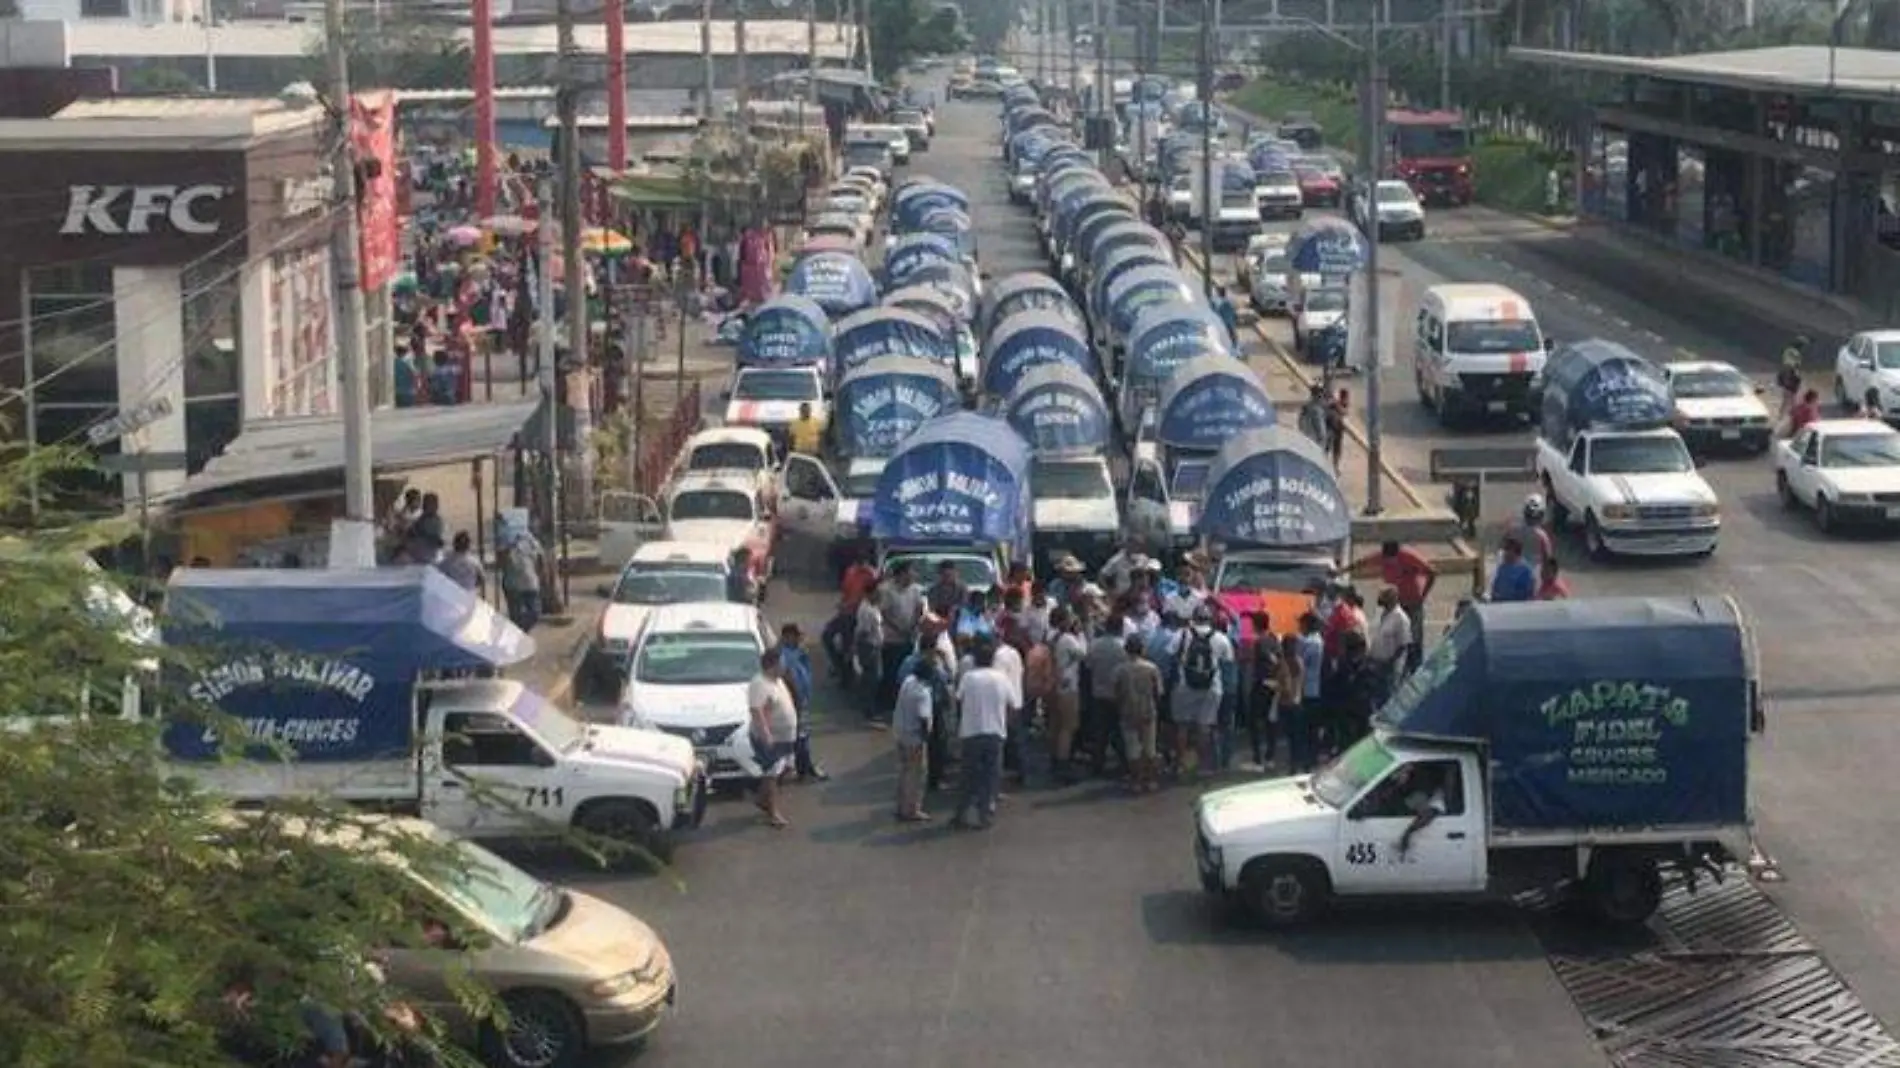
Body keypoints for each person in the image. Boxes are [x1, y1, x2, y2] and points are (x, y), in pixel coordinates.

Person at [954, 636, 1019, 830]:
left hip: (971, 731)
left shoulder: (968, 678)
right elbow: (1013, 705)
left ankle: (962, 812)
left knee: (968, 775)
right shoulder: (1002, 679)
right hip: (995, 732)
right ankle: (986, 813)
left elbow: (959, 700)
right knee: (991, 775)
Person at [1170, 605, 1234, 778]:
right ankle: (1201, 765)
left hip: (1185, 685)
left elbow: (1170, 654)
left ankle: (1181, 764)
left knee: (1182, 725)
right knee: (1204, 727)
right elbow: (1227, 660)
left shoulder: (1182, 634)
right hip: (1212, 687)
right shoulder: (1220, 638)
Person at [1363, 540, 1435, 671]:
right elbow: (1363, 562)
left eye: (1392, 560)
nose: (1389, 563)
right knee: (1389, 634)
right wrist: (1342, 570)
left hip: (1413, 602)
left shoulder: (1408, 556)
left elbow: (1432, 571)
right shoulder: (1382, 556)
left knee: (1414, 637)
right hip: (1395, 602)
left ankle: (1414, 668)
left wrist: (1424, 594)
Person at [746, 648, 798, 828]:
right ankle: (773, 813)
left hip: (785, 737)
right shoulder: (759, 684)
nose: (785, 665)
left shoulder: (777, 681)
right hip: (769, 738)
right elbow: (756, 711)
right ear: (773, 665)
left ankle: (762, 798)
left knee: (785, 769)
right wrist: (766, 735)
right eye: (782, 662)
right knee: (772, 774)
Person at [1113, 634, 1164, 792]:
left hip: (1127, 712)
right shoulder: (1151, 668)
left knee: (1132, 749)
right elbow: (1159, 692)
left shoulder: (1120, 669)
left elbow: (1115, 692)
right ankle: (1151, 780)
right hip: (1148, 710)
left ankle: (1136, 781)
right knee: (1150, 748)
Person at [777, 624, 828, 783]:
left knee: (802, 736)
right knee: (798, 737)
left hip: (801, 701)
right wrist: (795, 702)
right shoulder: (783, 655)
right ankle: (801, 770)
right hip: (793, 702)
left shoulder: (799, 653)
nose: (800, 639)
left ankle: (803, 768)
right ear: (787, 637)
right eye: (796, 636)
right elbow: (787, 678)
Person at [1084, 614, 1132, 779]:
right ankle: (1125, 764)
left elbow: (1088, 666)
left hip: (1099, 693)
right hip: (1119, 695)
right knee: (1120, 731)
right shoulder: (1123, 646)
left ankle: (1097, 765)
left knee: (1100, 732)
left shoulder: (1095, 645)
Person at [876, 561, 924, 720]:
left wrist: (913, 626)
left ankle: (903, 704)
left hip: (909, 637)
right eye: (909, 572)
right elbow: (883, 613)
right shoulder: (886, 590)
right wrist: (898, 629)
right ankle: (887, 706)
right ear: (901, 574)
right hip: (891, 638)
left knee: (906, 671)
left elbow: (919, 609)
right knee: (890, 672)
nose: (912, 576)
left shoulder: (916, 589)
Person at [893, 656, 937, 822]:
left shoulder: (908, 682)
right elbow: (924, 718)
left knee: (904, 771)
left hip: (900, 732)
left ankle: (901, 806)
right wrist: (926, 738)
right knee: (917, 774)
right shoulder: (922, 693)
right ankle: (912, 809)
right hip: (914, 738)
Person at [1050, 607, 1087, 780]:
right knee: (1068, 727)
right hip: (1068, 685)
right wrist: (1080, 634)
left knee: (1057, 726)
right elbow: (1084, 654)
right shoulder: (1068, 639)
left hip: (1057, 685)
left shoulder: (1052, 637)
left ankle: (1056, 758)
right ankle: (1063, 763)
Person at [1275, 632, 1312, 771]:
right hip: (1297, 702)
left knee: (1292, 737)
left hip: (1288, 702)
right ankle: (1299, 764)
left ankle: (1295, 765)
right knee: (1297, 737)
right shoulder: (1298, 661)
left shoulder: (1286, 663)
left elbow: (1286, 685)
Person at [1368, 587, 1411, 698]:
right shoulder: (1384, 614)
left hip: (1389, 668)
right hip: (1377, 663)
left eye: (1384, 597)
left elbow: (1404, 645)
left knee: (1388, 695)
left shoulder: (1401, 618)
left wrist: (1390, 662)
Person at [499, 529, 544, 631]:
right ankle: (518, 633)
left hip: (529, 582)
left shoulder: (531, 540)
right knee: (515, 615)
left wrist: (539, 575)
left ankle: (521, 631)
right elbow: (501, 562)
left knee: (534, 613)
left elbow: (541, 558)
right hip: (512, 584)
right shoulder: (506, 542)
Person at [1489, 535, 1537, 603]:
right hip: (1499, 608)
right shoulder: (1501, 569)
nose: (1504, 552)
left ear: (1516, 551)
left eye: (1507, 549)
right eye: (1504, 549)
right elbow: (1495, 590)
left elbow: (1526, 595)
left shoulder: (1525, 572)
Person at [1776, 335, 1807, 418]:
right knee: (1790, 397)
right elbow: (1790, 365)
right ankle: (1788, 415)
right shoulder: (1793, 352)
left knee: (1789, 397)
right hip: (1790, 376)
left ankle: (1783, 415)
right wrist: (1791, 376)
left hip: (1790, 376)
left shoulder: (1790, 351)